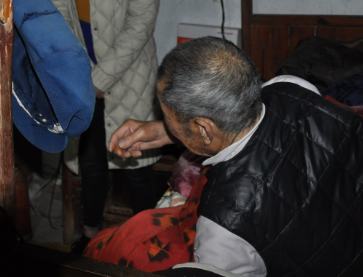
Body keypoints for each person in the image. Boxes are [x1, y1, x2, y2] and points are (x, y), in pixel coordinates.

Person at [110, 37, 363, 277]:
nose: (165, 121)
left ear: (204, 129)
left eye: (167, 116)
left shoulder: (224, 228)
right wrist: (170, 132)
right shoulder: (289, 86)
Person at [47, 0, 161, 253]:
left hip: (129, 78)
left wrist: (100, 79)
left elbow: (140, 24)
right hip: (82, 79)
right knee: (92, 164)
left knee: (138, 166)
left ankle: (150, 243)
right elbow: (59, 18)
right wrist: (77, 76)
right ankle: (91, 238)